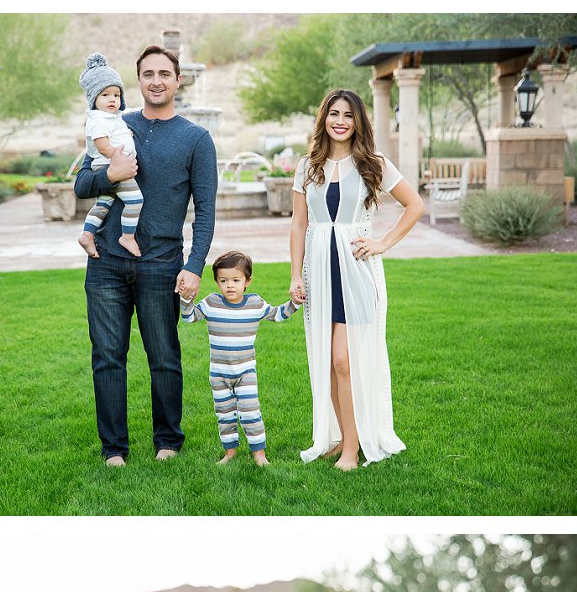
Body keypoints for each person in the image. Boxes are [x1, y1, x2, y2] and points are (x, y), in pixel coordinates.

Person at [74, 45, 216, 467]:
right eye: (147, 73)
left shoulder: (196, 138)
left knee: (165, 357)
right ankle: (114, 448)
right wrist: (108, 176)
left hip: (161, 262)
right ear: (138, 80)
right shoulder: (113, 123)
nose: (156, 80)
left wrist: (193, 266)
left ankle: (168, 440)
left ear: (178, 80)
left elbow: (205, 211)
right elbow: (82, 184)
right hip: (107, 263)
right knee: (107, 357)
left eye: (164, 73)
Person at [289, 89, 426, 471]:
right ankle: (339, 438)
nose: (340, 121)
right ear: (324, 118)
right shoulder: (307, 166)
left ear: (358, 121)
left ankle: (353, 446)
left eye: (348, 115)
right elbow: (299, 224)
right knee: (330, 362)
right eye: (334, 113)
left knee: (343, 360)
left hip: (356, 272)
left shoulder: (373, 163)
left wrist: (382, 243)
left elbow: (415, 205)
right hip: (319, 270)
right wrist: (294, 276)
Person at [179, 250, 300, 466]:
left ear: (247, 281)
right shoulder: (211, 303)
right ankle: (230, 452)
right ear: (216, 282)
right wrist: (186, 300)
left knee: (251, 412)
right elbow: (189, 318)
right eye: (223, 280)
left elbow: (277, 314)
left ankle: (259, 454)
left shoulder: (255, 304)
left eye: (236, 280)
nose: (230, 285)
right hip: (219, 374)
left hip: (245, 373)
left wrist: (295, 304)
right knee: (224, 414)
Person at [77, 54, 143, 259]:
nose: (112, 99)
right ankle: (127, 237)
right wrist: (118, 158)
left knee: (104, 204)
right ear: (94, 99)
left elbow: (115, 134)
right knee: (135, 200)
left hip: (109, 166)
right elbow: (103, 145)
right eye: (105, 95)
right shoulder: (97, 119)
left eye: (116, 95)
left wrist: (126, 136)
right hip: (111, 165)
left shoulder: (112, 117)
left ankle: (87, 234)